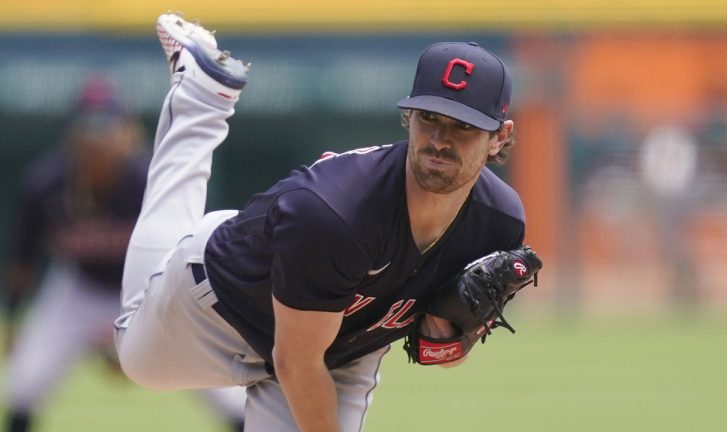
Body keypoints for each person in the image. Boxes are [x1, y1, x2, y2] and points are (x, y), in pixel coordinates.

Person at [115, 13, 525, 432]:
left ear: (499, 136)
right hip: (224, 306)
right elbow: (295, 361)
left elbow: (445, 348)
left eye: (463, 126)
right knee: (134, 357)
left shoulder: (498, 225)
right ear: (409, 117)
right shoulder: (337, 214)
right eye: (430, 118)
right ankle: (200, 100)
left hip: (340, 349)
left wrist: (452, 336)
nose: (439, 140)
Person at [1, 76, 246, 432]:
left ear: (129, 131)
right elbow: (22, 258)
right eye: (86, 125)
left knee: (226, 391)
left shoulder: (150, 181)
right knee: (26, 380)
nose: (95, 136)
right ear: (69, 134)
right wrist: (14, 318)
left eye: (106, 125)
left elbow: (188, 255)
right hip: (80, 287)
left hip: (156, 286)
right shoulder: (46, 184)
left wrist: (129, 337)